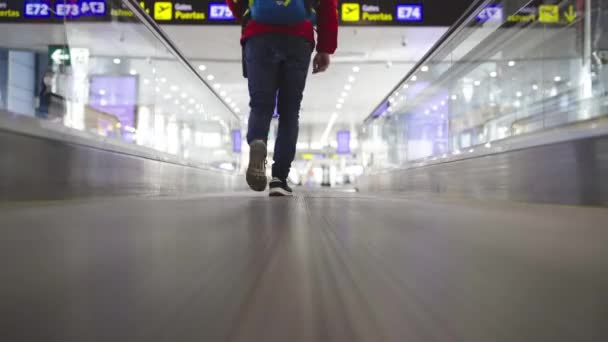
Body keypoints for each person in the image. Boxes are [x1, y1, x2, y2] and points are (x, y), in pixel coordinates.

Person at [227, 0, 338, 196]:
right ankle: (279, 178)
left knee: (260, 104)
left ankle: (258, 142)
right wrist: (325, 48)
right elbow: (328, 5)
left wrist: (249, 13)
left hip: (258, 34)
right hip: (299, 37)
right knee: (290, 111)